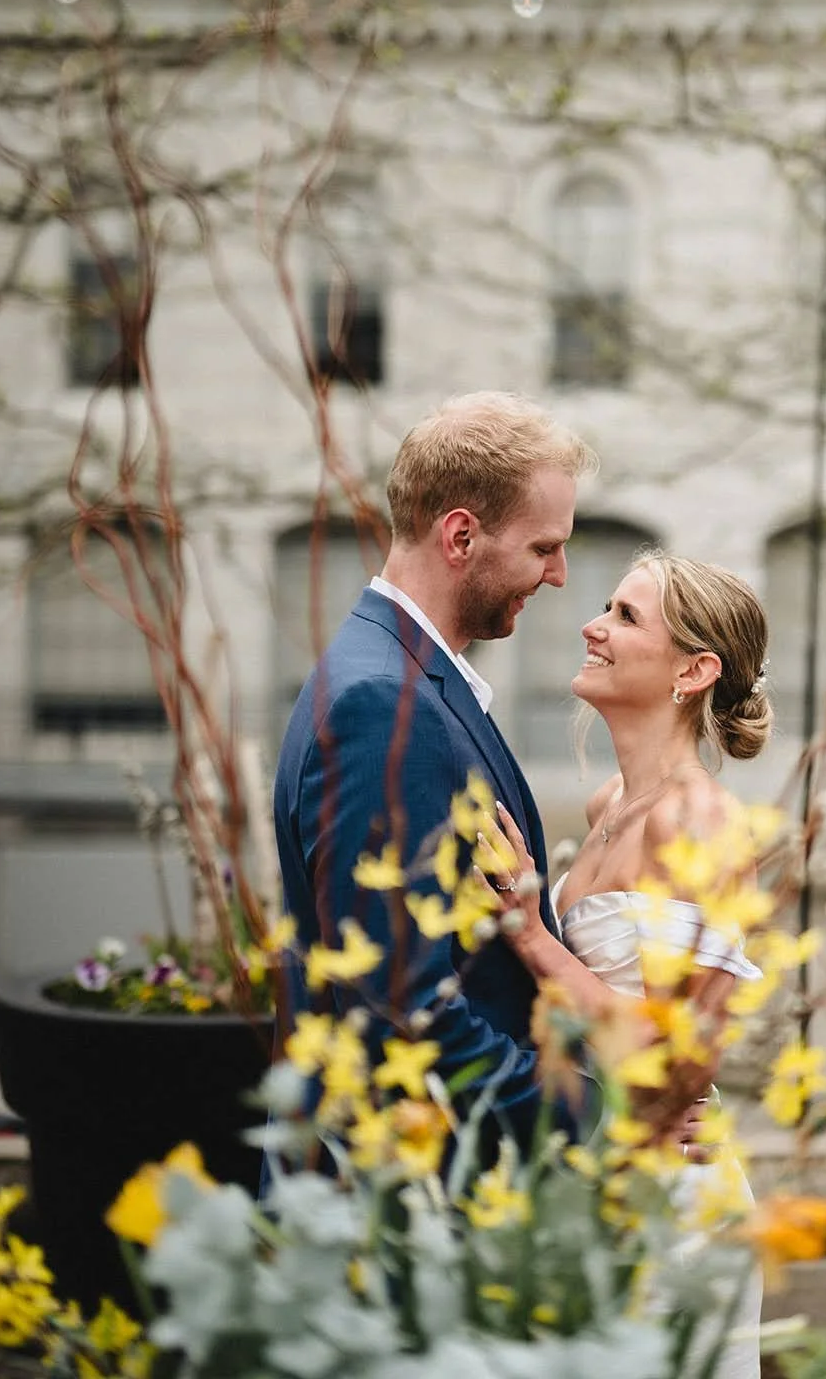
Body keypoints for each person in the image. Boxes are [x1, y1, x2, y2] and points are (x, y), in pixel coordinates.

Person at [272, 391, 598, 1153]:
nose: (556, 575)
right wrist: (590, 1118)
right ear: (460, 536)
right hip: (409, 1204)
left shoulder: (395, 677)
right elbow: (395, 1004)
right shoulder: (384, 701)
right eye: (543, 547)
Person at [486, 550, 772, 1379]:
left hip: (671, 1200)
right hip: (600, 1164)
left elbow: (676, 1059)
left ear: (694, 669)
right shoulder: (610, 806)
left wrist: (531, 932)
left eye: (623, 616)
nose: (591, 624)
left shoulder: (699, 821)